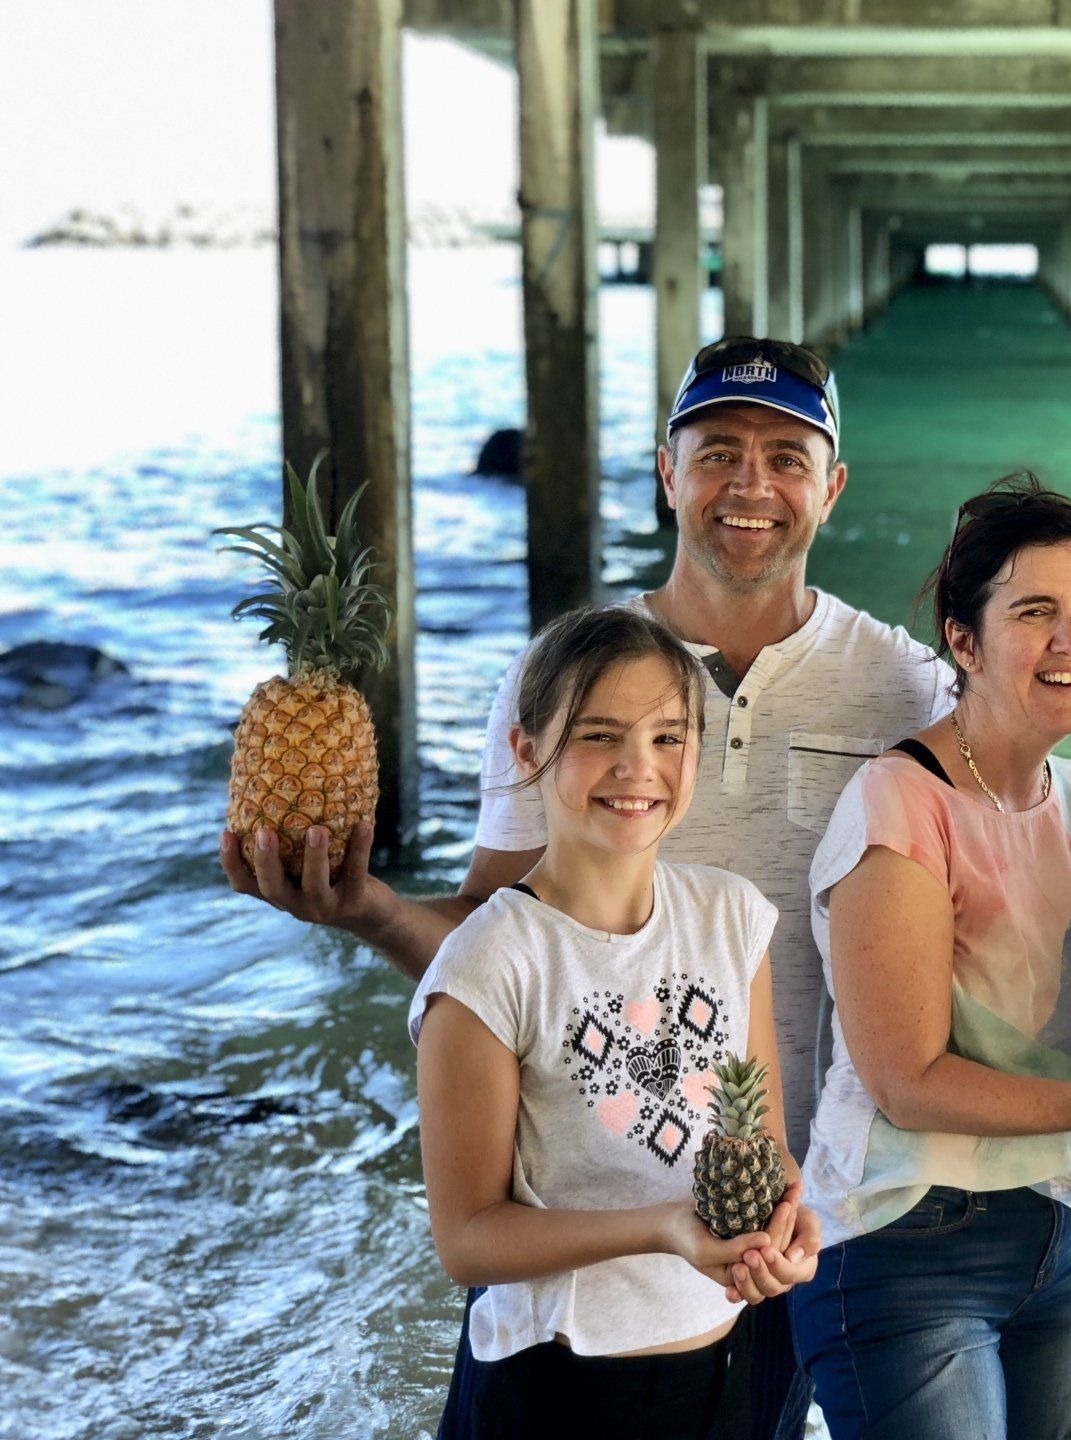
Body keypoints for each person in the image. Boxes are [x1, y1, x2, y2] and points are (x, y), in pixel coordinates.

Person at [221, 337, 950, 1439]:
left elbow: (996, 860)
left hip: (795, 1218)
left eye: (788, 457)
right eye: (718, 453)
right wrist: (365, 908)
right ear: (668, 471)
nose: (751, 485)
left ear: (832, 485)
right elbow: (499, 935)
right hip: (574, 1239)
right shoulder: (562, 669)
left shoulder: (907, 684)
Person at [789, 476, 1071, 1440]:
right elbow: (909, 1081)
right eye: (1035, 612)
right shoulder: (898, 805)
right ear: (964, 640)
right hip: (902, 1241)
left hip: (1055, 1232)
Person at [410, 605, 818, 1439]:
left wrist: (789, 1220)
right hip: (555, 1388)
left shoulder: (732, 918)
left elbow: (765, 1139)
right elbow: (467, 1238)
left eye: (669, 738)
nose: (639, 767)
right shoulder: (490, 961)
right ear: (526, 752)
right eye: (600, 735)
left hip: (722, 1369)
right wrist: (663, 1229)